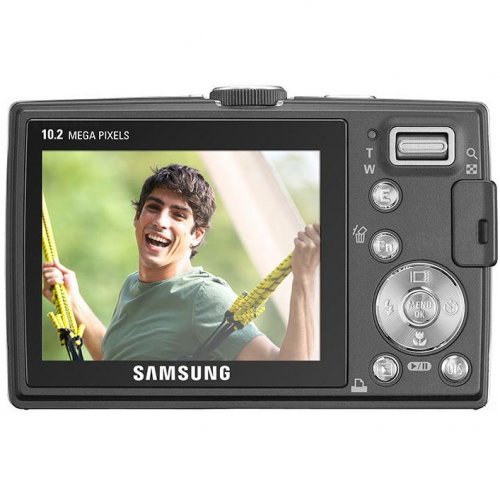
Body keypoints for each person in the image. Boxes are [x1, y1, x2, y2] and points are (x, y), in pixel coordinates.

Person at [42, 164, 320, 361]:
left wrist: (304, 278)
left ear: (196, 235)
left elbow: (290, 375)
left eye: (178, 215)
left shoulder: (204, 296)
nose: (160, 221)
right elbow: (118, 362)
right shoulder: (132, 286)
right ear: (137, 218)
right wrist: (74, 302)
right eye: (153, 207)